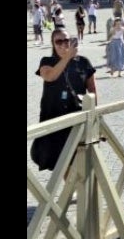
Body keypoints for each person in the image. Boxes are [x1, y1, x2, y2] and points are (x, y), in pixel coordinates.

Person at [32, 29, 97, 172]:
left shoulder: (83, 62)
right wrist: (67, 57)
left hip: (77, 117)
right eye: (58, 41)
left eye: (66, 40)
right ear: (53, 44)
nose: (63, 44)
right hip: (54, 117)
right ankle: (70, 191)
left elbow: (92, 90)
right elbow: (50, 76)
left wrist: (94, 114)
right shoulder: (47, 61)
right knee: (60, 160)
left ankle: (73, 191)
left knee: (77, 157)